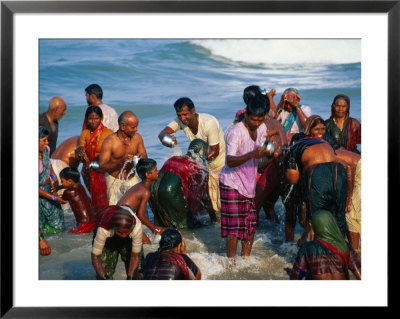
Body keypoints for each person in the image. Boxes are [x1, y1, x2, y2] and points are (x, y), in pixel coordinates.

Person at [219, 94, 270, 260]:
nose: (256, 123)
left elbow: (262, 154)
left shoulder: (261, 128)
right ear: (246, 115)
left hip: (249, 184)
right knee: (234, 228)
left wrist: (271, 153)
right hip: (231, 183)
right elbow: (230, 161)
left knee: (249, 226)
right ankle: (231, 262)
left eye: (260, 120)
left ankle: (246, 261)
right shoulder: (235, 132)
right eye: (254, 119)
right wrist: (253, 154)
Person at [282, 135, 355, 245]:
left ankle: (315, 253)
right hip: (338, 171)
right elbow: (349, 167)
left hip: (317, 173)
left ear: (293, 143)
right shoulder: (324, 144)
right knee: (339, 219)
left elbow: (292, 179)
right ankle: (340, 253)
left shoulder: (293, 148)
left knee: (316, 221)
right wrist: (349, 197)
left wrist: (285, 163)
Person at [158, 97, 225, 214]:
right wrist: (168, 140)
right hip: (203, 164)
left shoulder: (209, 123)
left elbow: (215, 151)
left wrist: (192, 162)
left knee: (221, 204)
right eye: (179, 115)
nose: (182, 119)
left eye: (185, 114)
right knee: (205, 202)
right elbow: (162, 134)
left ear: (193, 111)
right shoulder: (181, 121)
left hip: (220, 164)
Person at [149, 139, 218, 229]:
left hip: (154, 189)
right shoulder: (199, 168)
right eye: (205, 152)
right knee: (187, 226)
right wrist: (213, 218)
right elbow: (205, 196)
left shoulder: (174, 158)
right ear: (201, 152)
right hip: (171, 192)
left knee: (164, 224)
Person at [291, 210, 361, 280]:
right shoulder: (344, 245)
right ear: (333, 225)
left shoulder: (306, 247)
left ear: (315, 228)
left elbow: (296, 277)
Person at [98, 111, 147, 205]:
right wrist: (120, 161)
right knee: (115, 211)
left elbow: (144, 156)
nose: (136, 130)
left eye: (137, 127)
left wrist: (138, 157)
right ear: (123, 126)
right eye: (133, 127)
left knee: (139, 207)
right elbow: (102, 166)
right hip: (114, 180)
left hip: (132, 178)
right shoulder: (110, 141)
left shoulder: (137, 138)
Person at [76, 106, 113, 212]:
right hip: (89, 168)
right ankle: (98, 213)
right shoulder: (85, 133)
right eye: (90, 118)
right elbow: (81, 146)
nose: (93, 121)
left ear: (101, 118)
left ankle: (106, 212)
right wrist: (79, 150)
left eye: (96, 118)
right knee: (94, 197)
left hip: (103, 168)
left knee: (105, 197)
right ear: (86, 119)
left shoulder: (108, 133)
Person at [91, 205, 143, 280]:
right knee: (105, 272)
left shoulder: (137, 227)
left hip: (125, 227)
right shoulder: (103, 230)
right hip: (108, 235)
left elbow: (135, 256)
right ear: (113, 227)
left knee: (137, 271)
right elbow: (95, 257)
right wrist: (104, 277)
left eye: (126, 232)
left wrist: (130, 277)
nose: (123, 236)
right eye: (120, 233)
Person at [118, 158, 163, 237]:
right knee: (147, 243)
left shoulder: (139, 186)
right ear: (147, 174)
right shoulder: (145, 192)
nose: (158, 171)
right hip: (123, 218)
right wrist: (154, 228)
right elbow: (140, 215)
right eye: (155, 170)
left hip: (119, 216)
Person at [39, 126, 66, 234]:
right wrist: (54, 197)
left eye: (47, 140)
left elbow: (49, 166)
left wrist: (54, 178)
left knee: (58, 222)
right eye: (43, 140)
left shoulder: (46, 150)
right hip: (39, 193)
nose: (47, 143)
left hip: (48, 188)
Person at [59, 166, 97, 234]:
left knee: (70, 234)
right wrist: (60, 187)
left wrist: (54, 191)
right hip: (92, 220)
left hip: (83, 222)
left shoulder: (68, 192)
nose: (61, 183)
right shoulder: (81, 186)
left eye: (62, 181)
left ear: (70, 181)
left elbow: (61, 200)